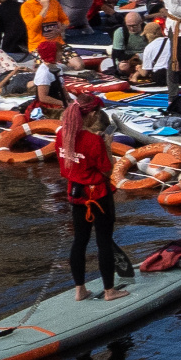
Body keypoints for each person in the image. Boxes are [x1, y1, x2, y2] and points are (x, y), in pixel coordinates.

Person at [51, 86, 130, 301]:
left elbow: (65, 167)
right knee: (104, 241)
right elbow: (106, 170)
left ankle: (80, 290)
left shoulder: (61, 137)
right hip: (98, 195)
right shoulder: (93, 141)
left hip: (75, 193)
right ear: (93, 114)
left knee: (80, 241)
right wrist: (106, 145)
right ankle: (109, 291)